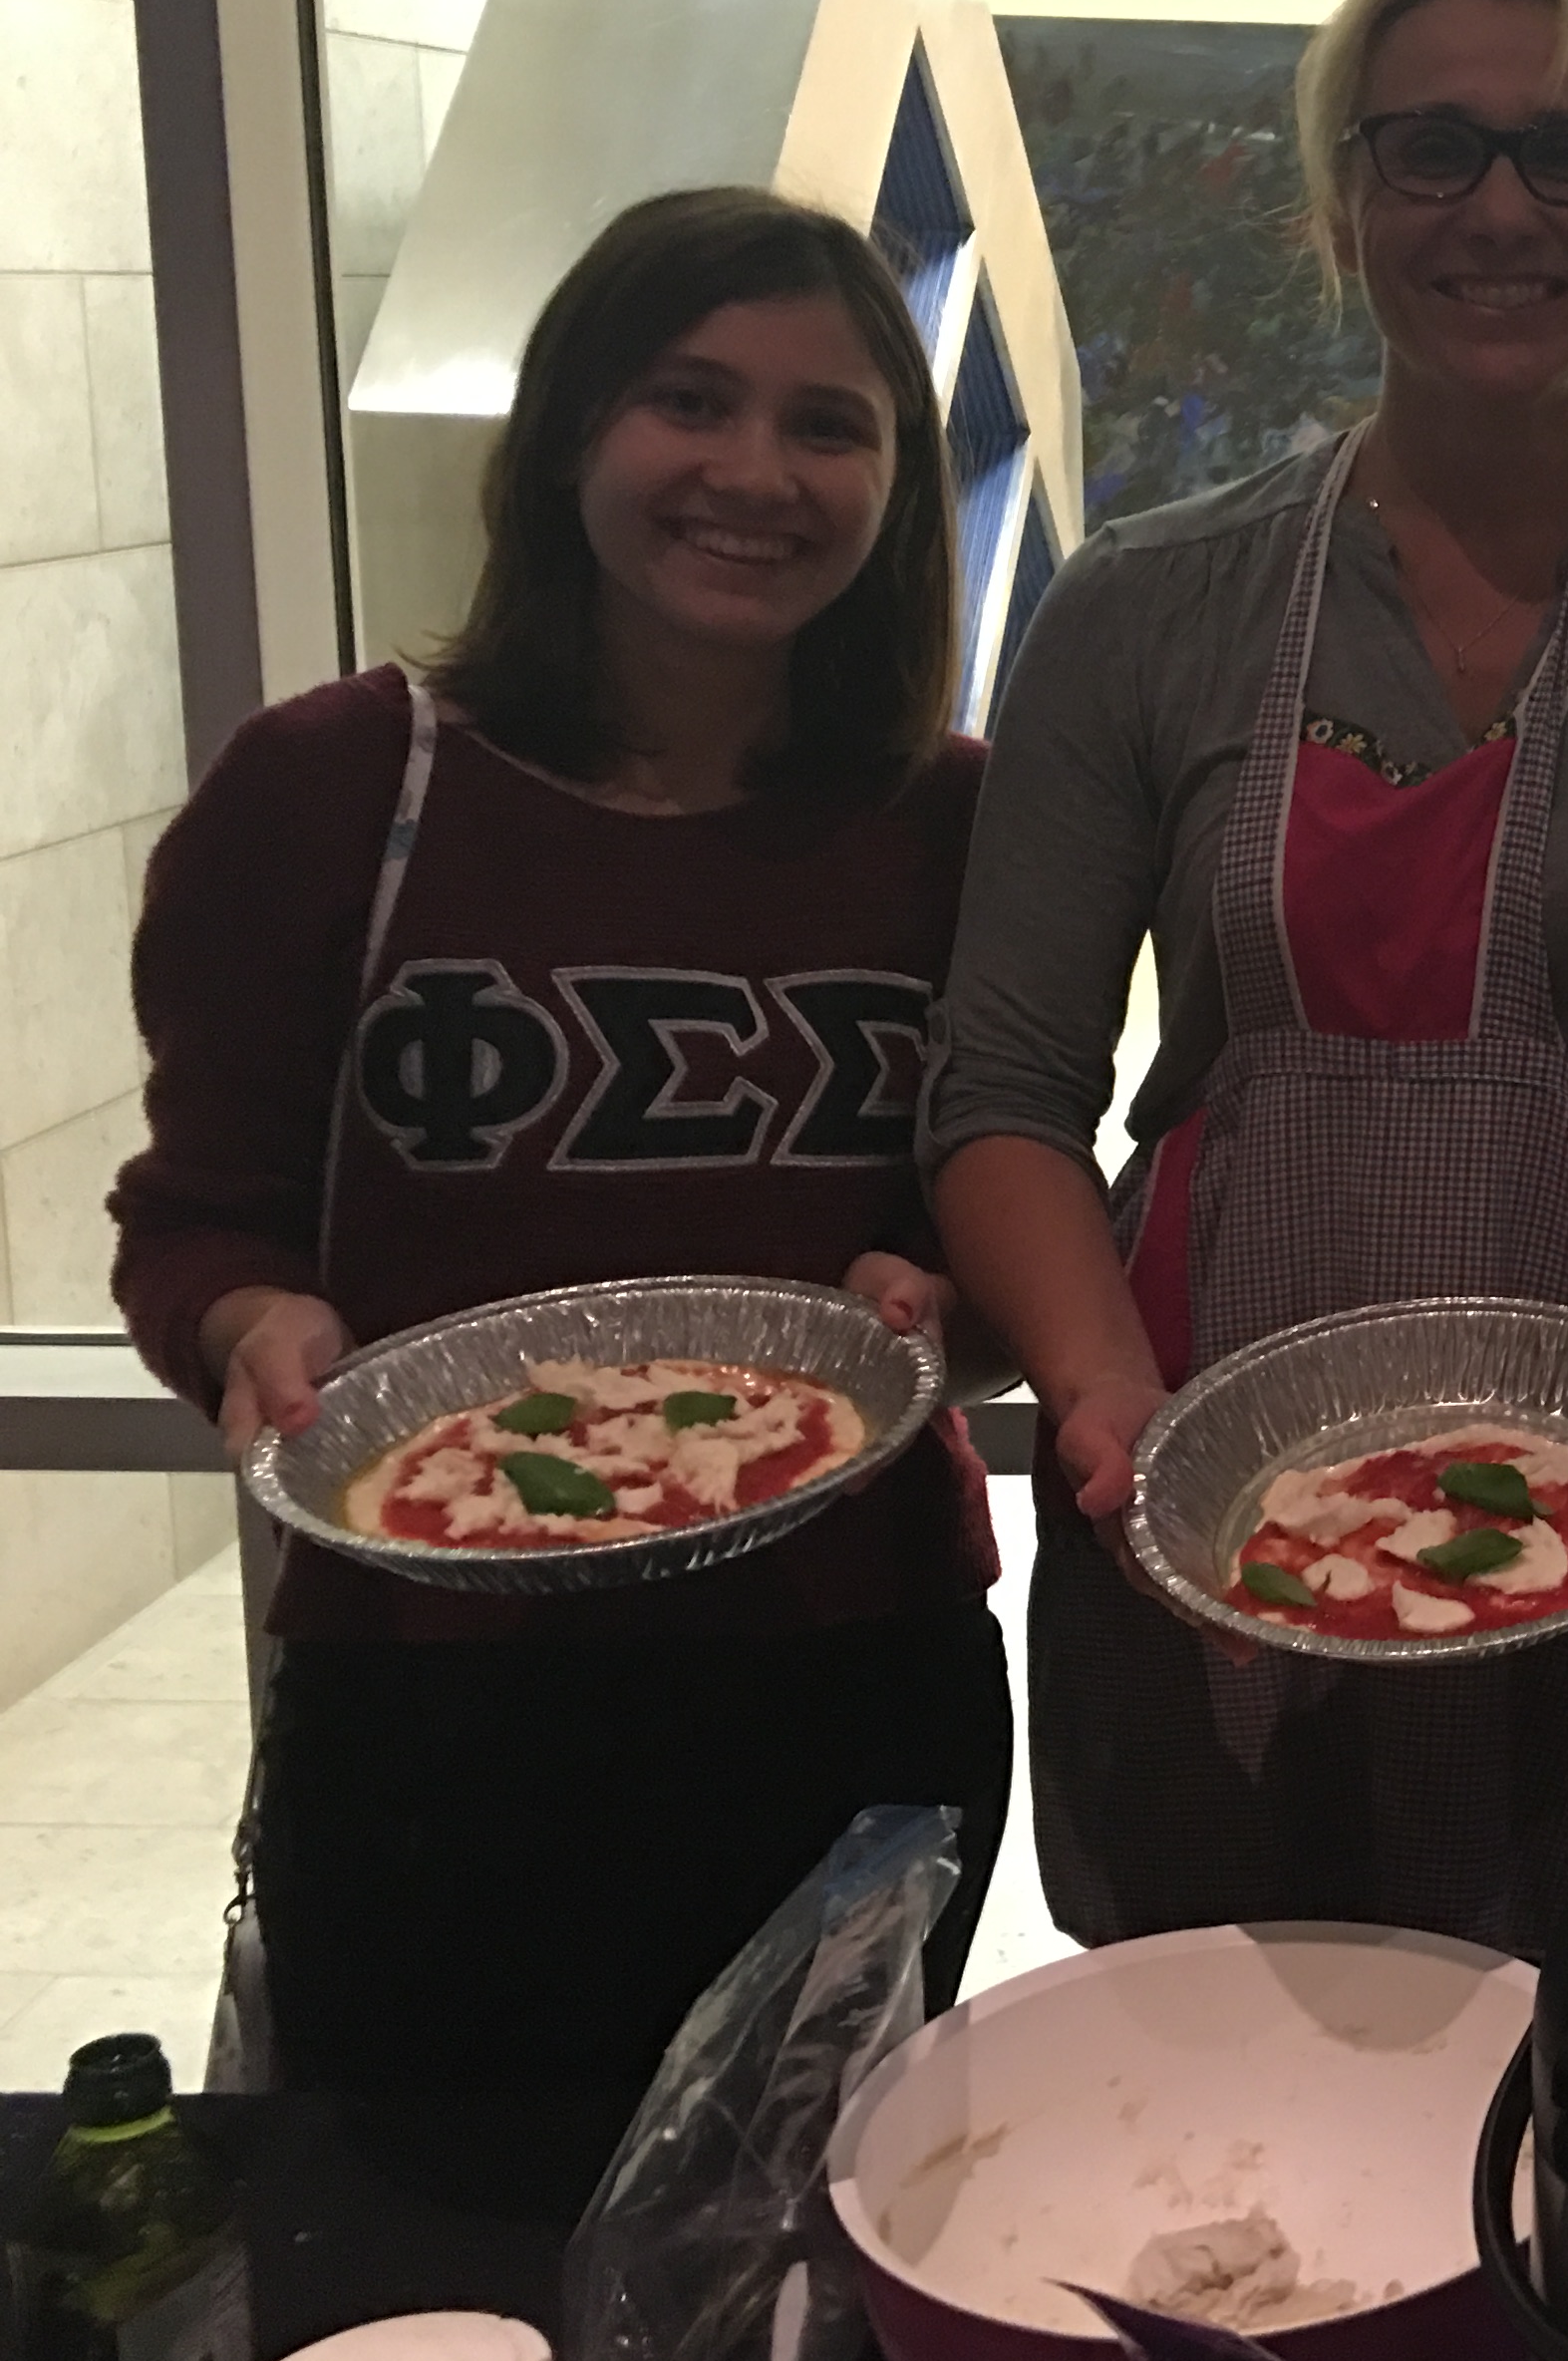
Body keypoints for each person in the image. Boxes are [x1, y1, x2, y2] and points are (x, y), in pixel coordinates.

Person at [927, 0, 1568, 1955]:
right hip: (1197, 1469)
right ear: (1339, 201)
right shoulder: (1146, 606)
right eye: (1433, 150)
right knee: (1209, 2039)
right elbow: (1004, 1084)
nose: (1501, 211)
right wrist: (1108, 1408)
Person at [111, 188, 1013, 2094]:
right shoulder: (337, 788)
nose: (753, 473)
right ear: (569, 432)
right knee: (434, 2216)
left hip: (855, 1659)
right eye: (690, 400)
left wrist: (954, 1305)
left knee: (832, 2213)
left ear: (897, 487)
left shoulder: (962, 825)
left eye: (828, 425)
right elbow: (195, 1215)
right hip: (438, 1679)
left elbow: (1018, 1220)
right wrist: (250, 1322)